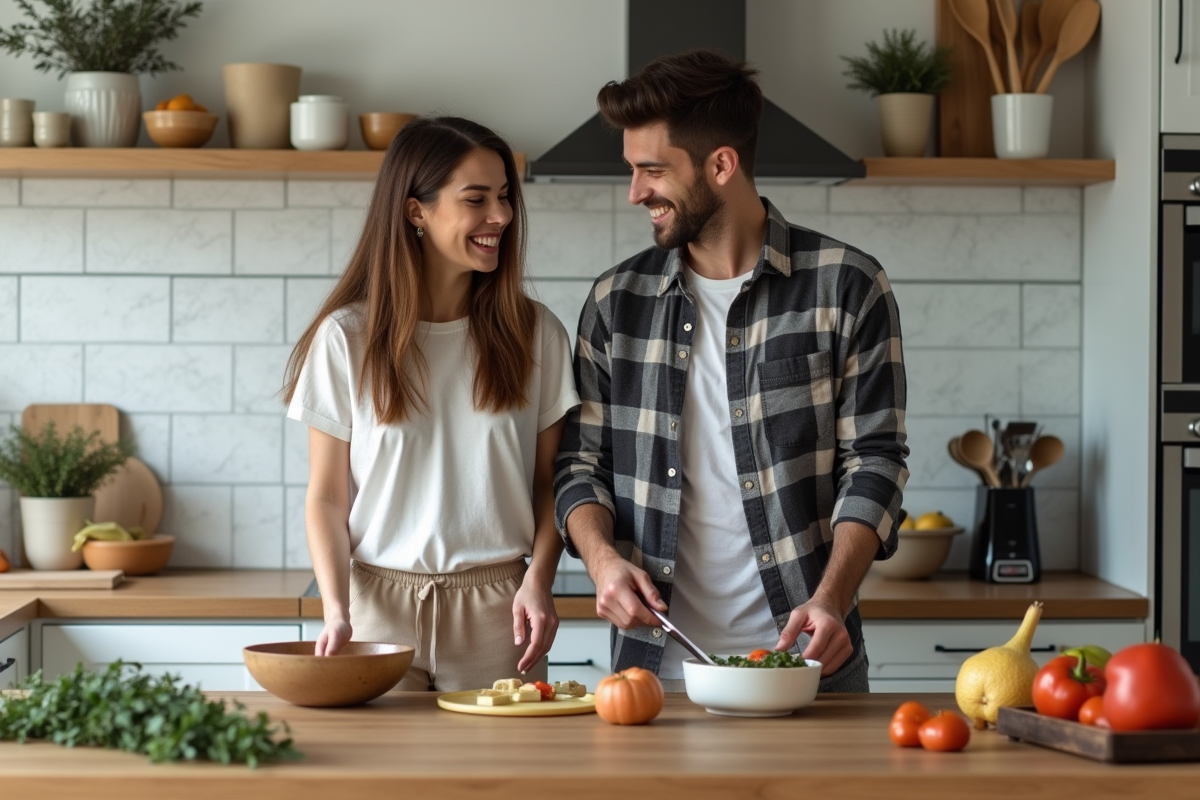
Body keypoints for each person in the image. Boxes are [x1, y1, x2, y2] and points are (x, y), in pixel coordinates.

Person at [553, 51, 908, 692]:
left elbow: (877, 460)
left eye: (652, 171)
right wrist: (602, 562)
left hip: (808, 667)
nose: (636, 193)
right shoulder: (617, 303)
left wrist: (832, 596)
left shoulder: (847, 285)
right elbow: (580, 467)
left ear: (721, 164)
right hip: (654, 674)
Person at [284, 116, 580, 691]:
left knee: (500, 783)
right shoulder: (346, 338)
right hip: (376, 609)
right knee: (385, 782)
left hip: (502, 611)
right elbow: (326, 496)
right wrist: (336, 608)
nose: (501, 216)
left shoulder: (537, 334)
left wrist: (539, 580)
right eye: (476, 199)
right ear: (416, 210)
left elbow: (552, 483)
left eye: (504, 197)